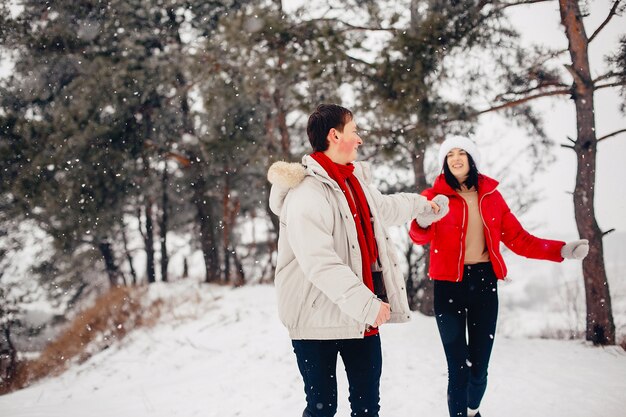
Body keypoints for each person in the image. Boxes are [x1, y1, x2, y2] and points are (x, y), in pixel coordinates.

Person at [267, 104, 449, 417]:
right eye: (354, 132)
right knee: (322, 410)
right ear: (334, 136)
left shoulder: (354, 183)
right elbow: (320, 263)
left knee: (367, 409)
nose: (359, 139)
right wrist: (367, 305)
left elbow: (386, 208)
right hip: (316, 323)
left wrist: (423, 206)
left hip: (358, 319)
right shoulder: (307, 195)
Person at [409, 135, 589, 417]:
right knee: (458, 369)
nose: (456, 158)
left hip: (483, 283)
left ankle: (472, 410)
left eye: (462, 153)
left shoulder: (491, 197)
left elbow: (520, 239)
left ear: (471, 160)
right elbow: (417, 235)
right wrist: (423, 220)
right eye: (450, 154)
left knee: (479, 369)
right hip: (447, 286)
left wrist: (562, 250)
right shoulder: (433, 198)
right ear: (445, 162)